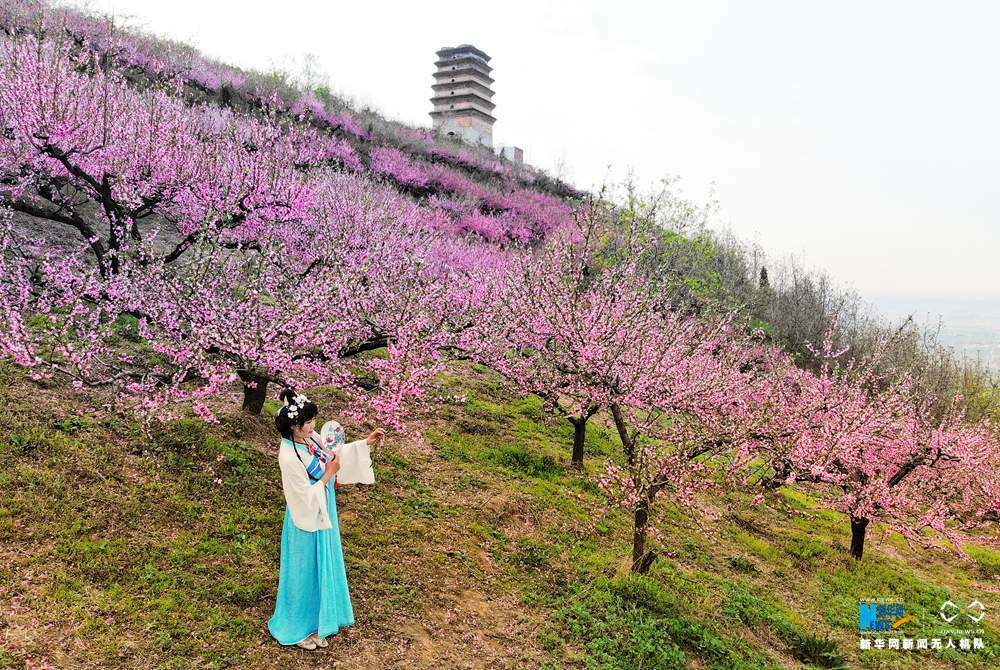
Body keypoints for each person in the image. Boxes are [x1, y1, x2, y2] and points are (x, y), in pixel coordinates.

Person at [266, 389, 385, 650]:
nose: (312, 426)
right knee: (303, 568)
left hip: (323, 508)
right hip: (305, 517)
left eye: (312, 421)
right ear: (292, 426)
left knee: (322, 562)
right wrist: (327, 475)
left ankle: (318, 621)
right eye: (307, 423)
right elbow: (299, 496)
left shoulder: (309, 439)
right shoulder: (288, 455)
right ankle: (296, 628)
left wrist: (365, 443)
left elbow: (334, 452)